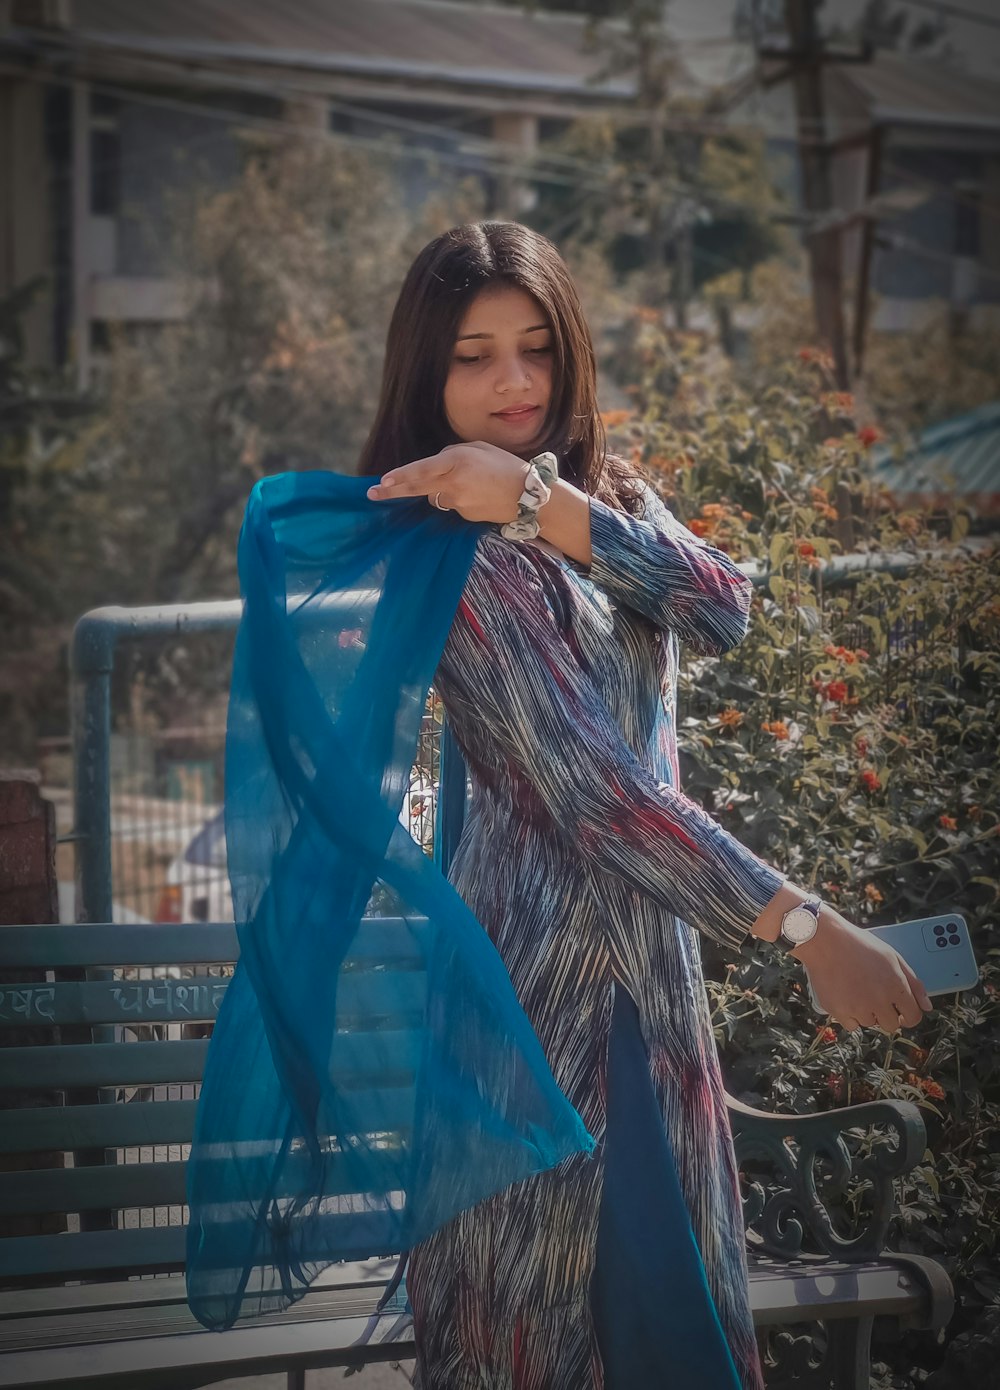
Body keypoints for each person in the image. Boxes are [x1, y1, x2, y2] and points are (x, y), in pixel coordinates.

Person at [357, 221, 933, 1390]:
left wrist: (535, 498)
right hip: (533, 1011)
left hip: (652, 991)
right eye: (472, 356)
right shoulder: (445, 560)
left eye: (533, 347)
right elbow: (595, 793)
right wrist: (806, 927)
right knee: (538, 1335)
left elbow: (724, 604)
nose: (512, 382)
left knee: (682, 1335)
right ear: (426, 371)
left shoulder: (600, 497)